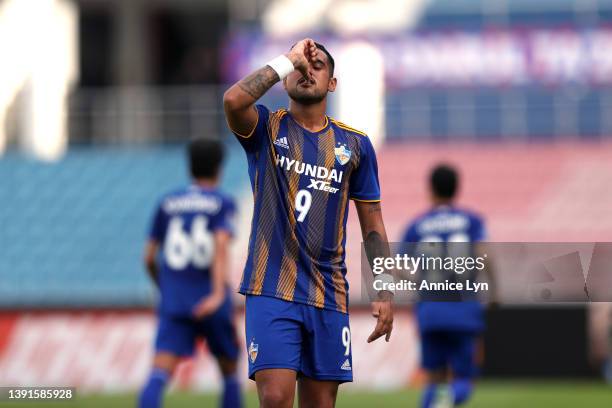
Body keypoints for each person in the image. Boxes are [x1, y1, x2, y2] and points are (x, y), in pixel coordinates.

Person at [223, 38, 393, 407]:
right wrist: (288, 59)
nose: (307, 72)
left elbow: (373, 222)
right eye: (300, 68)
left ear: (333, 83)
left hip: (328, 293)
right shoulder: (266, 130)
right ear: (285, 79)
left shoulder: (356, 145)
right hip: (271, 289)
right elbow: (234, 101)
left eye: (317, 67)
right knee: (276, 398)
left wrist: (383, 289)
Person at [138, 139, 242, 408]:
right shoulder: (222, 202)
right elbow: (220, 245)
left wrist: (164, 286)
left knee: (160, 371)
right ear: (219, 167)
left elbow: (148, 256)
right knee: (229, 370)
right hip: (211, 296)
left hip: (175, 299)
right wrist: (218, 294)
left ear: (190, 167)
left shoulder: (168, 202)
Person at [401, 164, 495, 408]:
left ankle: (437, 402)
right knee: (465, 377)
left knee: (434, 378)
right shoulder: (471, 221)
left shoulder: (417, 225)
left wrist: (420, 283)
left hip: (430, 309)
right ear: (457, 188)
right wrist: (495, 291)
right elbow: (486, 255)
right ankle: (448, 401)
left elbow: (395, 266)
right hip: (464, 307)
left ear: (430, 189)